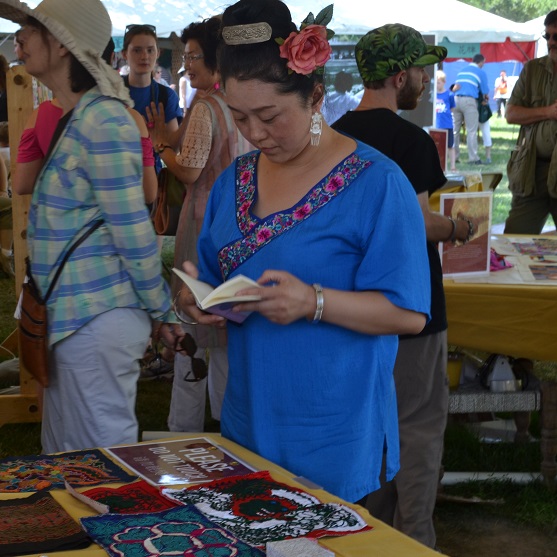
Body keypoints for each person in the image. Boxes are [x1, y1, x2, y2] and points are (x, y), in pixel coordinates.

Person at [174, 0, 431, 504]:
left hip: (340, 441)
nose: (254, 133)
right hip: (250, 428)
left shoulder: (376, 183)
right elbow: (212, 273)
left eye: (269, 116)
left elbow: (408, 313)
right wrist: (197, 301)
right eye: (241, 117)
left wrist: (314, 302)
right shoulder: (234, 183)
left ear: (315, 97)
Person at [0, 0, 181, 453]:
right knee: (69, 464)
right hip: (77, 319)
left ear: (62, 44)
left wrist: (162, 312)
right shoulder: (86, 115)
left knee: (104, 471)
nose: (18, 38)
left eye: (30, 28)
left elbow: (132, 230)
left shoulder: (104, 120)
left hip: (95, 322)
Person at [334, 23, 476, 548]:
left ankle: (365, 536)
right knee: (416, 428)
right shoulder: (410, 141)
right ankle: (414, 540)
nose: (425, 77)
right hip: (411, 307)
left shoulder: (333, 133)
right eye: (420, 68)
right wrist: (458, 227)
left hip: (351, 307)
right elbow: (414, 225)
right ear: (399, 77)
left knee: (366, 426)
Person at [147, 16, 251, 433]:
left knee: (194, 326)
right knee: (226, 326)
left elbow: (189, 170)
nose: (187, 64)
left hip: (203, 220)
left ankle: (185, 434)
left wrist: (158, 144)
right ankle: (230, 433)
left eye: (193, 56)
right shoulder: (238, 102)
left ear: (215, 59)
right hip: (237, 223)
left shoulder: (207, 104)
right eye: (185, 57)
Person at [503, 9, 557, 234]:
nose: (551, 42)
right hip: (531, 171)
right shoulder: (532, 70)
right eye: (548, 36)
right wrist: (548, 112)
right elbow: (511, 114)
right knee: (514, 240)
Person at [121, 23, 182, 173]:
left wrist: (159, 138)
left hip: (153, 178)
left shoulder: (166, 96)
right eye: (137, 50)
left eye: (150, 50)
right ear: (124, 54)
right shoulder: (112, 92)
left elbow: (174, 148)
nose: (144, 56)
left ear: (158, 53)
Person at [452, 53, 489, 165]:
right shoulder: (480, 72)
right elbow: (485, 90)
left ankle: (455, 157)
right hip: (469, 101)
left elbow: (455, 86)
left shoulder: (462, 70)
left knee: (455, 131)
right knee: (471, 130)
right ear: (481, 62)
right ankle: (473, 158)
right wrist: (485, 98)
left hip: (456, 100)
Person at [435, 70, 456, 172]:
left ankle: (452, 166)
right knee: (437, 146)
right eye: (435, 82)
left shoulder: (449, 95)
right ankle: (439, 165)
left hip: (447, 124)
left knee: (450, 145)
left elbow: (452, 108)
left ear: (443, 82)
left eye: (438, 82)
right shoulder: (433, 95)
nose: (436, 85)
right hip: (436, 125)